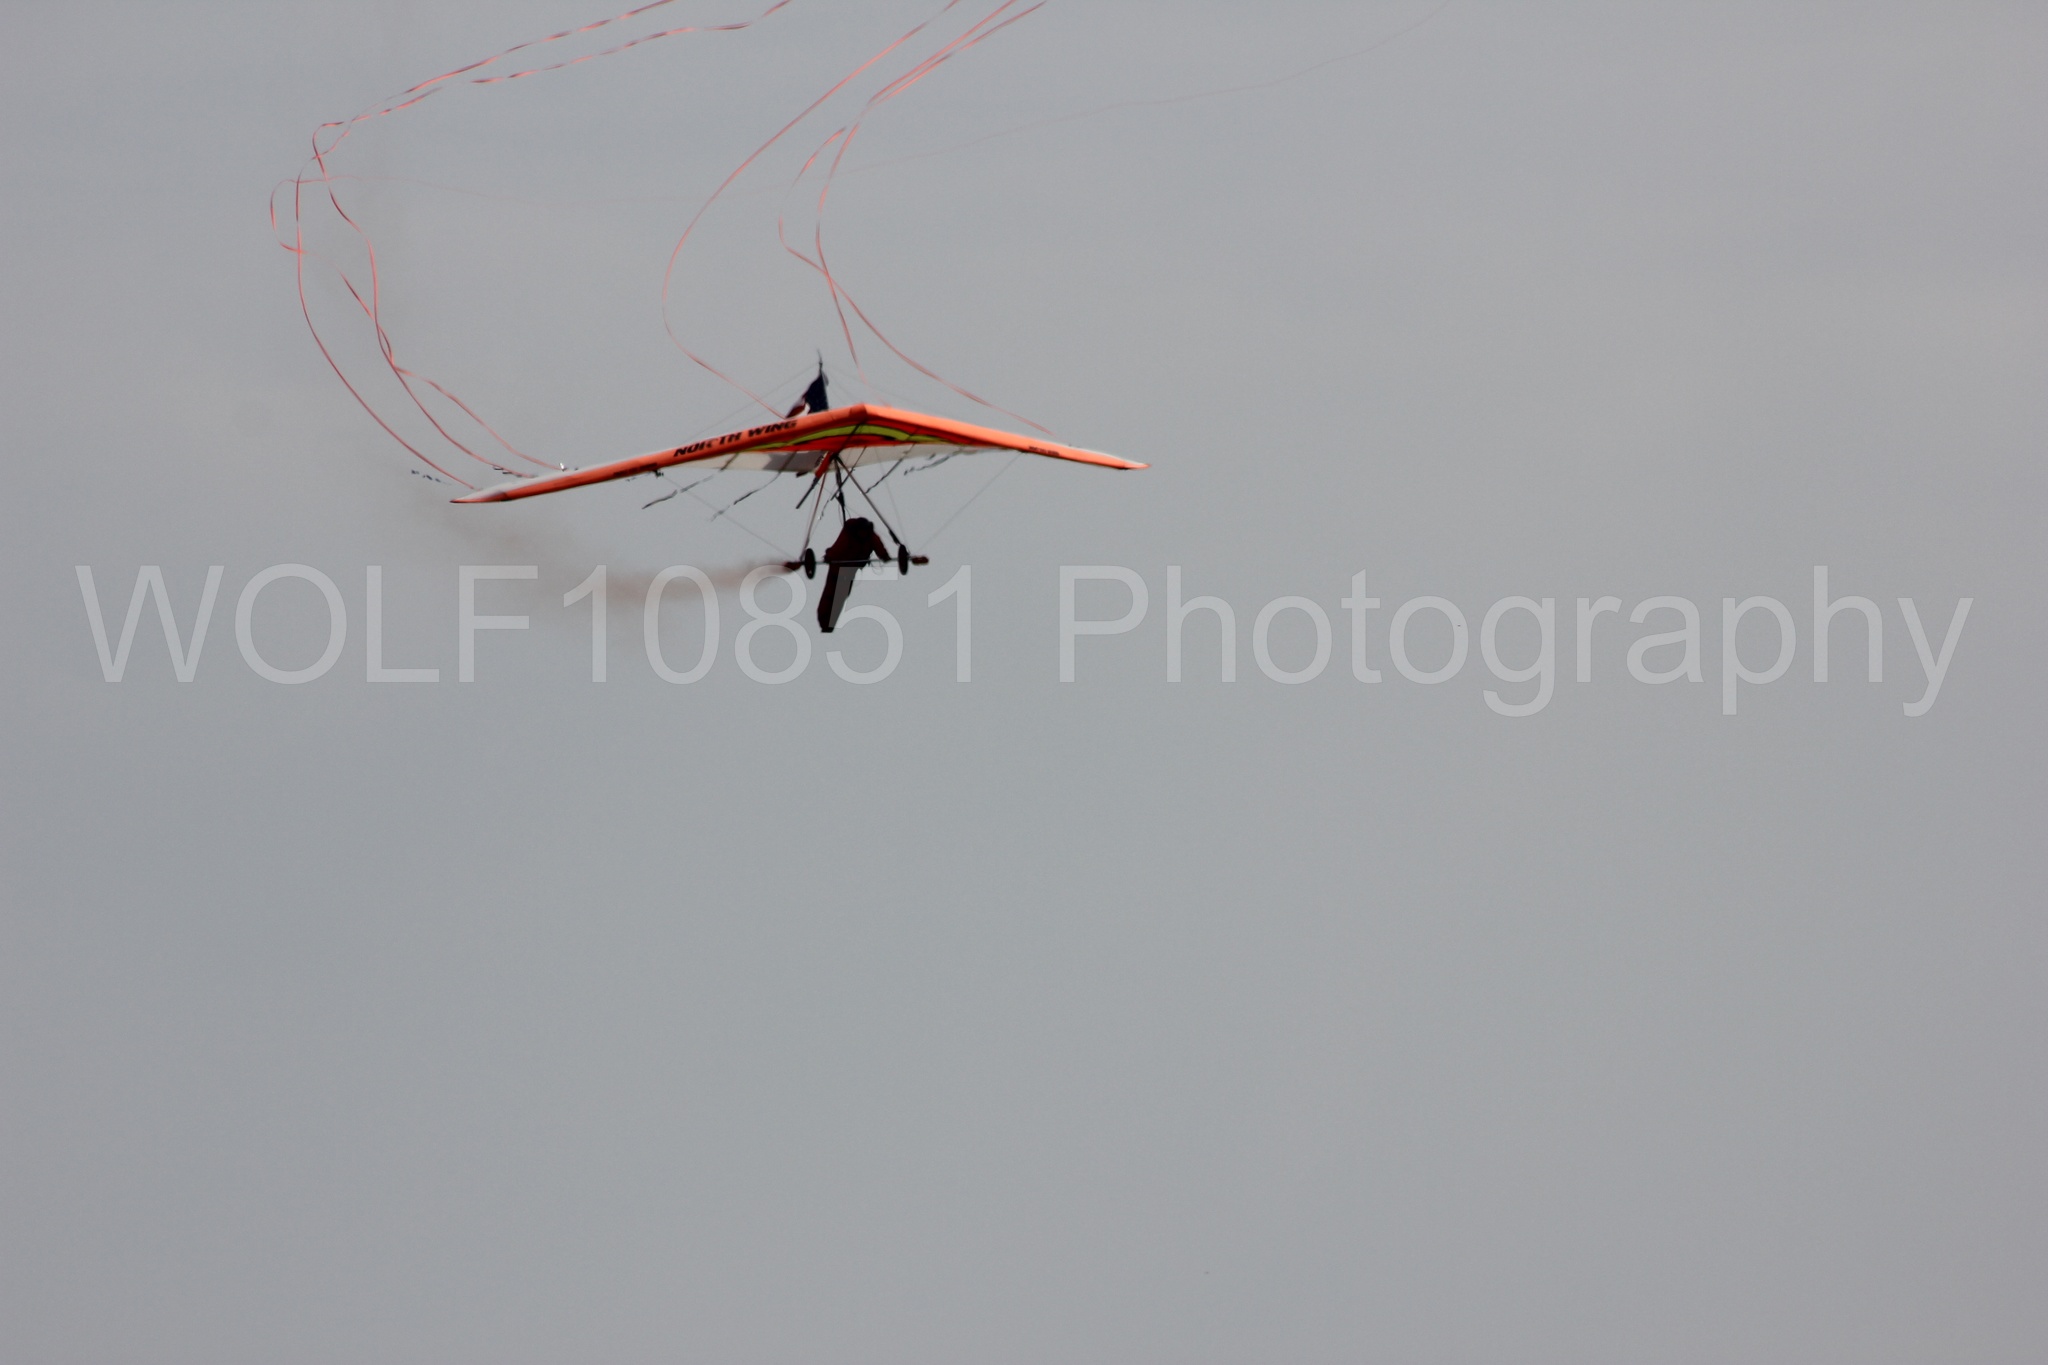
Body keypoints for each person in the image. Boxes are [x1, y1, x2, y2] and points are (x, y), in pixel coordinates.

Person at [816, 516, 891, 632]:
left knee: (840, 598)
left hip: (849, 572)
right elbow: (838, 546)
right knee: (829, 595)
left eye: (865, 532)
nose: (863, 534)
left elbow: (878, 546)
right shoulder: (848, 534)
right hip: (837, 570)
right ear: (857, 530)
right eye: (861, 532)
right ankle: (824, 622)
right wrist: (829, 556)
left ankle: (829, 626)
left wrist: (884, 556)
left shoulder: (871, 536)